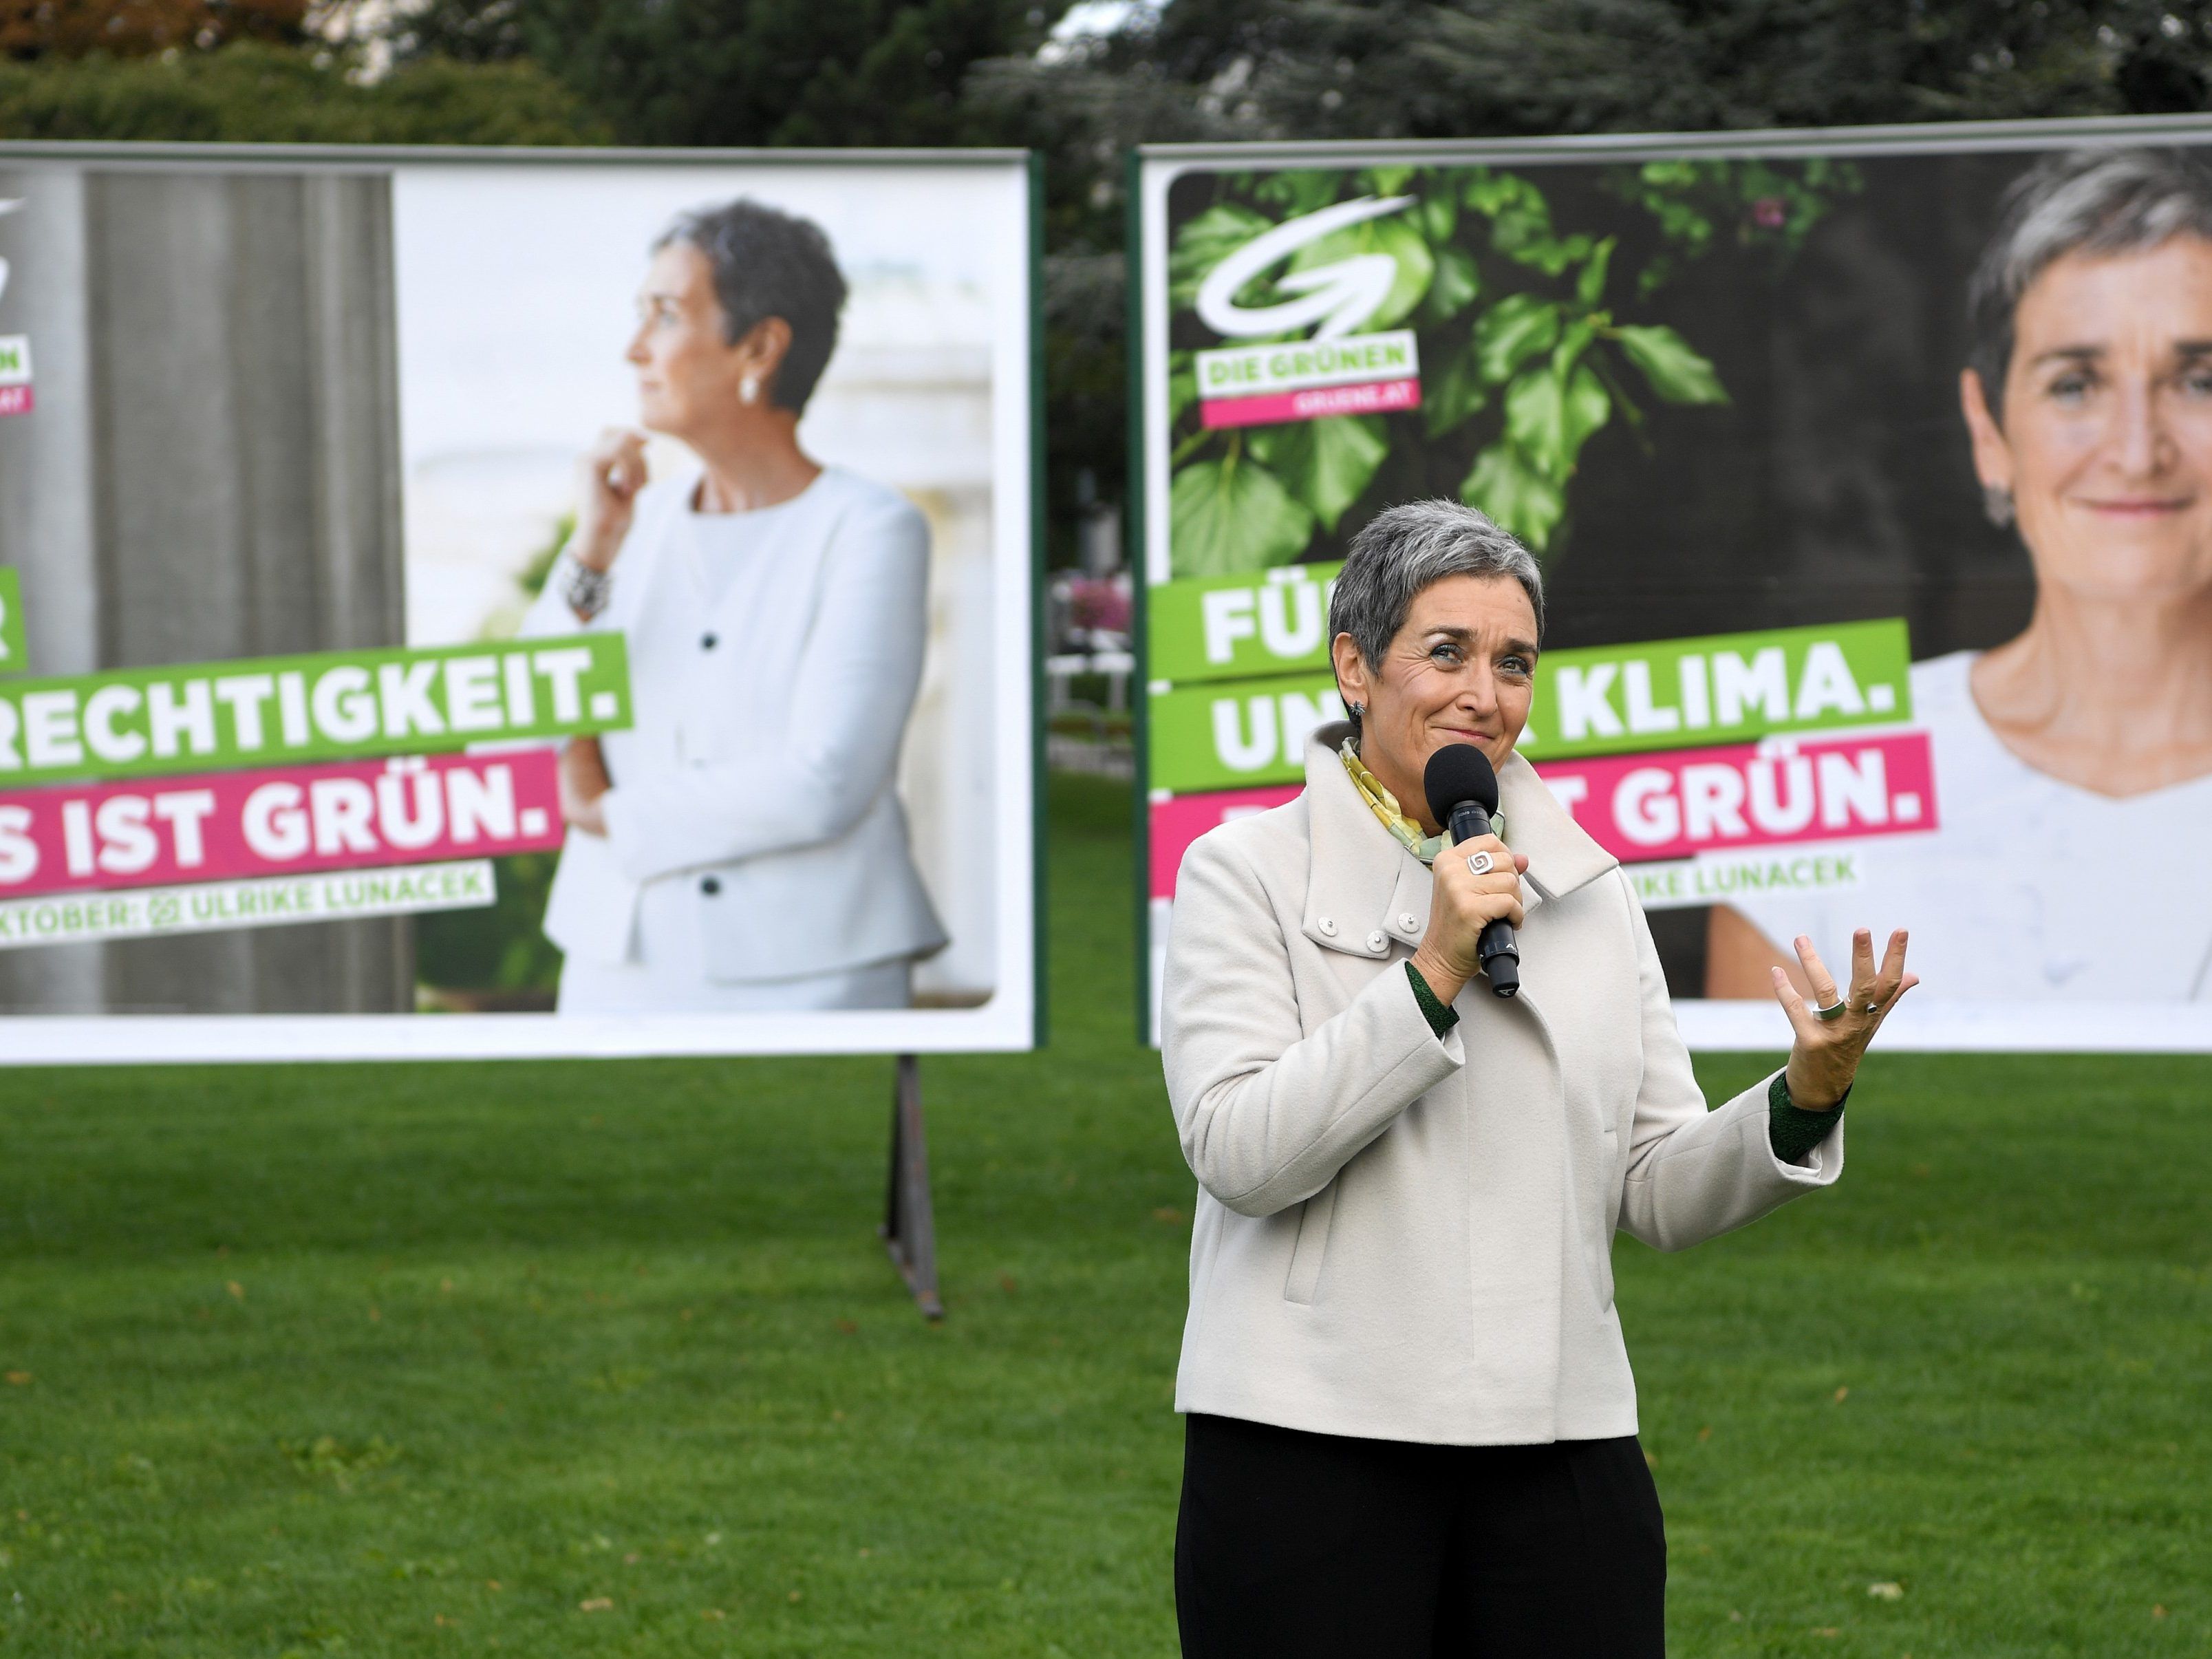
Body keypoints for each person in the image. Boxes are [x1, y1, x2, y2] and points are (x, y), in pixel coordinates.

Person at [1163, 500, 1915, 1658]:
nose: (1485, 694)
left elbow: (1657, 1184)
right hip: (1307, 1445)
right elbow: (1240, 1153)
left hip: (1561, 1450)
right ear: (1354, 667)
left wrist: (1804, 1094)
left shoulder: (1588, 886)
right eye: (1447, 651)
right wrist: (1432, 968)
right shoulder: (1242, 873)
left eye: (1514, 662)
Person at [1708, 147, 2212, 1001]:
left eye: (2198, 380)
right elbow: (1751, 1134)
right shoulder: (1822, 771)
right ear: (1987, 429)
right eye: (2074, 384)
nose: (2135, 451)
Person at [522, 197, 947, 1013]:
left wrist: (606, 810)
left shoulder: (870, 529)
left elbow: (824, 779)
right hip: (618, 961)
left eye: (666, 315)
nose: (633, 348)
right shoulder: (625, 529)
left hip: (813, 970)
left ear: (759, 346)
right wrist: (592, 548)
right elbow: (528, 713)